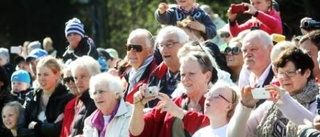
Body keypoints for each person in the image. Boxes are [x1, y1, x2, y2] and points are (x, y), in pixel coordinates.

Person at [129, 44, 218, 137]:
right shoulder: (171, 104)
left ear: (207, 76)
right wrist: (138, 107)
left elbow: (218, 128)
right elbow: (137, 133)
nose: (185, 79)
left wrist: (180, 113)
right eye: (183, 74)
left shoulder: (220, 102)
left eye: (191, 74)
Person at [227, 46, 318, 137]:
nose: (284, 78)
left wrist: (284, 101)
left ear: (307, 73)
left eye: (290, 73)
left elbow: (315, 127)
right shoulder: (272, 103)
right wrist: (245, 107)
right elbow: (235, 135)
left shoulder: (317, 99)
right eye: (281, 73)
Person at [18, 56, 73, 137]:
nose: (41, 78)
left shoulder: (67, 98)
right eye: (39, 74)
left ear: (57, 74)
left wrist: (35, 126)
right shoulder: (31, 97)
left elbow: (58, 130)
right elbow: (20, 129)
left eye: (46, 74)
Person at [147, 26, 189, 107]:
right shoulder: (156, 75)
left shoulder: (194, 73)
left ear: (184, 45)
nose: (164, 50)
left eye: (169, 44)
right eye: (161, 45)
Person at [82, 72, 132, 137]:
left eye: (101, 92)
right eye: (94, 93)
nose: (97, 96)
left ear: (116, 94)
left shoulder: (131, 115)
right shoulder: (89, 122)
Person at [237, 30, 274, 107]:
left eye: (253, 49)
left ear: (270, 50)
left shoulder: (279, 77)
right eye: (244, 51)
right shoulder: (248, 77)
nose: (247, 54)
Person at [68, 56, 100, 136]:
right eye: (75, 78)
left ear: (94, 75)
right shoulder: (83, 101)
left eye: (83, 76)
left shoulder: (98, 100)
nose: (78, 82)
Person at [123, 28, 158, 104]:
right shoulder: (128, 75)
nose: (131, 52)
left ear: (150, 50)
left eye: (137, 48)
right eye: (128, 47)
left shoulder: (157, 74)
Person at [60, 64, 80, 137]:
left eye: (73, 78)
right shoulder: (69, 105)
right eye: (66, 80)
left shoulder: (93, 102)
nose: (70, 82)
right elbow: (63, 134)